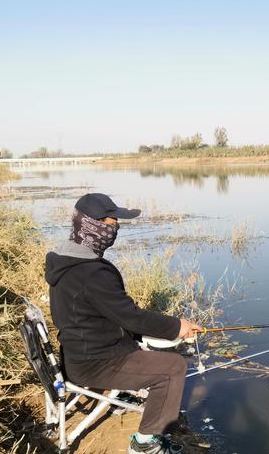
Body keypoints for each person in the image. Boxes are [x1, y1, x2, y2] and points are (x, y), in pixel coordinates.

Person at [45, 193, 201, 454]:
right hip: (94, 363)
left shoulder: (66, 259)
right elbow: (131, 316)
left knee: (152, 350)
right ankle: (145, 443)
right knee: (173, 367)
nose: (116, 227)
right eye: (111, 221)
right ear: (91, 225)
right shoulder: (91, 273)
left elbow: (115, 314)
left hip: (80, 353)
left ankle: (134, 397)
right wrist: (177, 327)